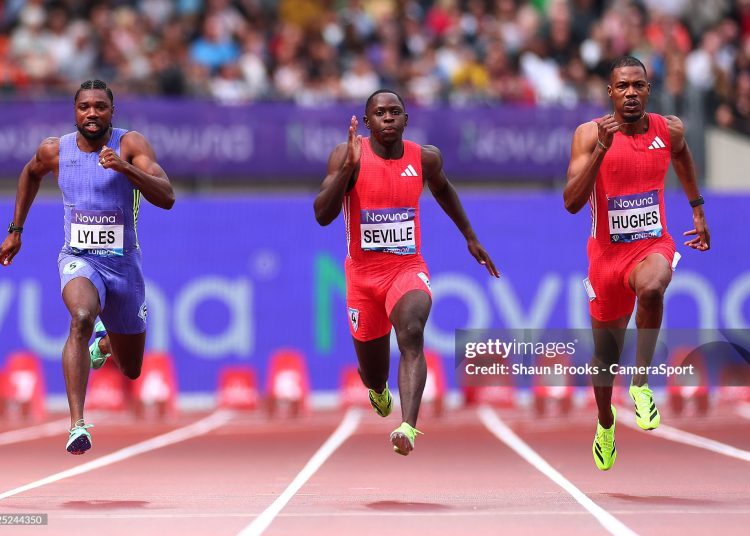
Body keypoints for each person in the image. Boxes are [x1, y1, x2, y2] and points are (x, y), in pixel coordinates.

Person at [314, 90, 499, 455]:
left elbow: (444, 190)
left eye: (395, 112)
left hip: (406, 268)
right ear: (367, 123)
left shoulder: (425, 158)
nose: (388, 118)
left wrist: (470, 237)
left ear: (406, 119)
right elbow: (322, 214)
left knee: (412, 331)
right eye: (379, 113)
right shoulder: (346, 155)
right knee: (373, 373)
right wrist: (347, 171)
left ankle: (408, 427)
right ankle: (379, 391)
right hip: (363, 278)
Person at [0, 80, 175, 455]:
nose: (91, 113)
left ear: (112, 111)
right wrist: (16, 230)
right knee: (80, 316)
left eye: (100, 106)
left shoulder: (131, 145)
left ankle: (107, 340)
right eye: (84, 107)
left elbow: (167, 196)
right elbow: (29, 174)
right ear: (74, 111)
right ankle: (77, 423)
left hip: (124, 266)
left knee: (131, 369)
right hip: (78, 257)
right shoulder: (54, 150)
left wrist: (127, 170)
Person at [564, 57, 710, 471]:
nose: (631, 93)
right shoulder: (589, 134)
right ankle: (606, 423)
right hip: (606, 258)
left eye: (639, 86)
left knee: (653, 287)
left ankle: (642, 381)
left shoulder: (669, 129)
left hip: (651, 244)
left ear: (649, 89)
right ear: (610, 92)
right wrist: (602, 152)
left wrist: (696, 207)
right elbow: (572, 203)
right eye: (622, 86)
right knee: (604, 358)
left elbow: (681, 155)